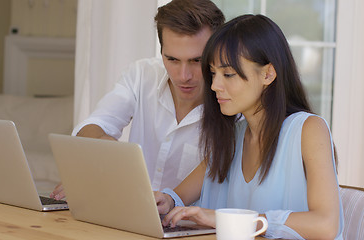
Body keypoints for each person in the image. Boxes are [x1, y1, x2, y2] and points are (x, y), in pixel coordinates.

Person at [155, 14, 344, 239]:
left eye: (228, 74)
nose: (215, 85)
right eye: (213, 73)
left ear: (268, 73)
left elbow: (326, 225)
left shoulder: (309, 129)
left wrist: (230, 220)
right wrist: (165, 201)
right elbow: (177, 197)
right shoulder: (233, 137)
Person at [50, 0, 225, 200]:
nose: (183, 75)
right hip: (131, 212)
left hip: (192, 226)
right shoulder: (142, 75)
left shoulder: (232, 101)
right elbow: (93, 125)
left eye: (197, 60)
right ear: (161, 52)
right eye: (172, 59)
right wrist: (102, 150)